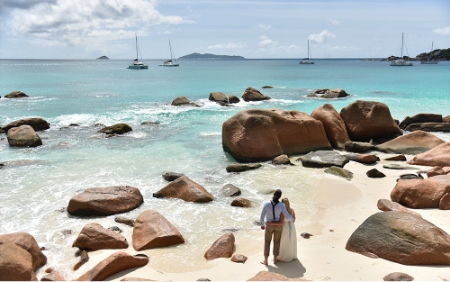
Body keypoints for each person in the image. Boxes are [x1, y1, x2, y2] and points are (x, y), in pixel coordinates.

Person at [260, 189, 294, 265]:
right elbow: (287, 216)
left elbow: (262, 215)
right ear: (280, 196)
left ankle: (265, 260)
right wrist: (292, 219)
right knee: (277, 242)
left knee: (267, 242)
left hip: (269, 225)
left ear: (273, 194)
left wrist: (262, 224)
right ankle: (275, 260)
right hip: (278, 226)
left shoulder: (266, 204)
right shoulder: (282, 205)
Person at [277, 197, 297, 262]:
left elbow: (281, 221)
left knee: (283, 242)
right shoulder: (292, 210)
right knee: (290, 241)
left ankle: (283, 256)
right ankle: (291, 256)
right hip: (292, 227)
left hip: (285, 227)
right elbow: (294, 220)